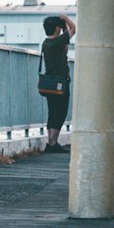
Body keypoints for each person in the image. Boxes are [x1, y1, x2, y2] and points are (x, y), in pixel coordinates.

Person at [37, 13, 74, 149]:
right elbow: (74, 29)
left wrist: (62, 26)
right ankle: (53, 142)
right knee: (61, 112)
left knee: (52, 112)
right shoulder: (57, 41)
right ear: (57, 28)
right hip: (61, 83)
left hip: (49, 83)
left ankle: (51, 142)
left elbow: (65, 47)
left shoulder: (46, 43)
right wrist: (65, 19)